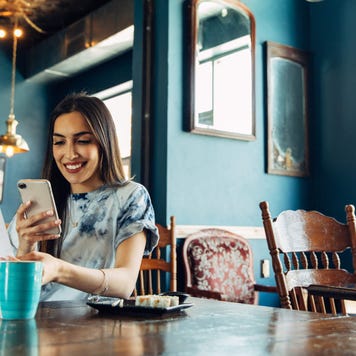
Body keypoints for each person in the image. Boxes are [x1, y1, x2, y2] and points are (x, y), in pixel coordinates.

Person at [7, 92, 159, 301]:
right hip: (37, 319)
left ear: (103, 142)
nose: (69, 154)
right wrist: (26, 246)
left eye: (83, 140)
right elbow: (17, 292)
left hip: (98, 324)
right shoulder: (40, 201)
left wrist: (60, 270)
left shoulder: (131, 197)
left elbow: (125, 284)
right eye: (59, 142)